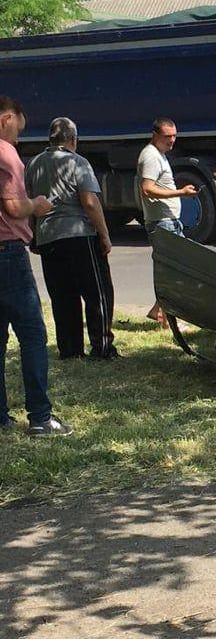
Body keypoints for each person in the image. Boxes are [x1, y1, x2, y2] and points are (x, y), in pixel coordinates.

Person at [0, 97, 73, 436]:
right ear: (6, 118)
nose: (19, 135)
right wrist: (38, 205)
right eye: (18, 127)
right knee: (32, 335)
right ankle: (41, 417)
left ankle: (1, 415)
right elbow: (14, 207)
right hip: (9, 254)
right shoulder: (6, 154)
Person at [26, 117, 117, 360]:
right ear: (73, 140)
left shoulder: (33, 165)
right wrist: (105, 234)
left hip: (48, 237)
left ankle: (70, 349)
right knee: (97, 292)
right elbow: (89, 202)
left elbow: (31, 203)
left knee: (63, 296)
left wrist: (34, 236)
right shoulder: (78, 162)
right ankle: (102, 347)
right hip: (79, 235)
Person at [138, 117, 196, 324]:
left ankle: (159, 311)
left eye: (174, 136)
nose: (172, 140)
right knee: (172, 272)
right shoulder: (151, 156)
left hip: (169, 220)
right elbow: (147, 188)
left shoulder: (159, 154)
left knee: (175, 269)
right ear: (155, 135)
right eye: (167, 136)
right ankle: (168, 318)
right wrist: (180, 192)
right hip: (162, 222)